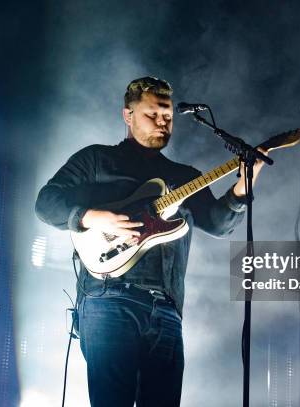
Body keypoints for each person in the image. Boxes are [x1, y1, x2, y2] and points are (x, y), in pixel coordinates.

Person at [35, 77, 267, 406]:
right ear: (128, 116)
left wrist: (245, 182)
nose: (162, 122)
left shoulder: (184, 175)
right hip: (109, 299)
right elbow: (46, 203)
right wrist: (91, 216)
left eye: (168, 116)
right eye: (153, 114)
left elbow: (217, 223)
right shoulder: (97, 161)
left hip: (168, 310)